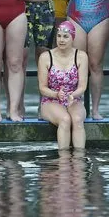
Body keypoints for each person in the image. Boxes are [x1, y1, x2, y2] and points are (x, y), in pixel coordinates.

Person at [60, 0, 109, 119]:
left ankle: (96, 109)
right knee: (77, 63)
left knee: (95, 64)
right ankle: (76, 106)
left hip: (100, 17)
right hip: (77, 17)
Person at [38, 21, 88, 150]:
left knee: (77, 119)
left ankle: (79, 160)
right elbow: (42, 88)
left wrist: (73, 95)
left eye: (66, 37)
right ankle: (64, 160)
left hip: (73, 99)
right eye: (59, 36)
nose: (61, 40)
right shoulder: (45, 57)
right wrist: (56, 94)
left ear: (73, 38)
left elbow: (82, 86)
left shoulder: (81, 56)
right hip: (51, 100)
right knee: (65, 119)